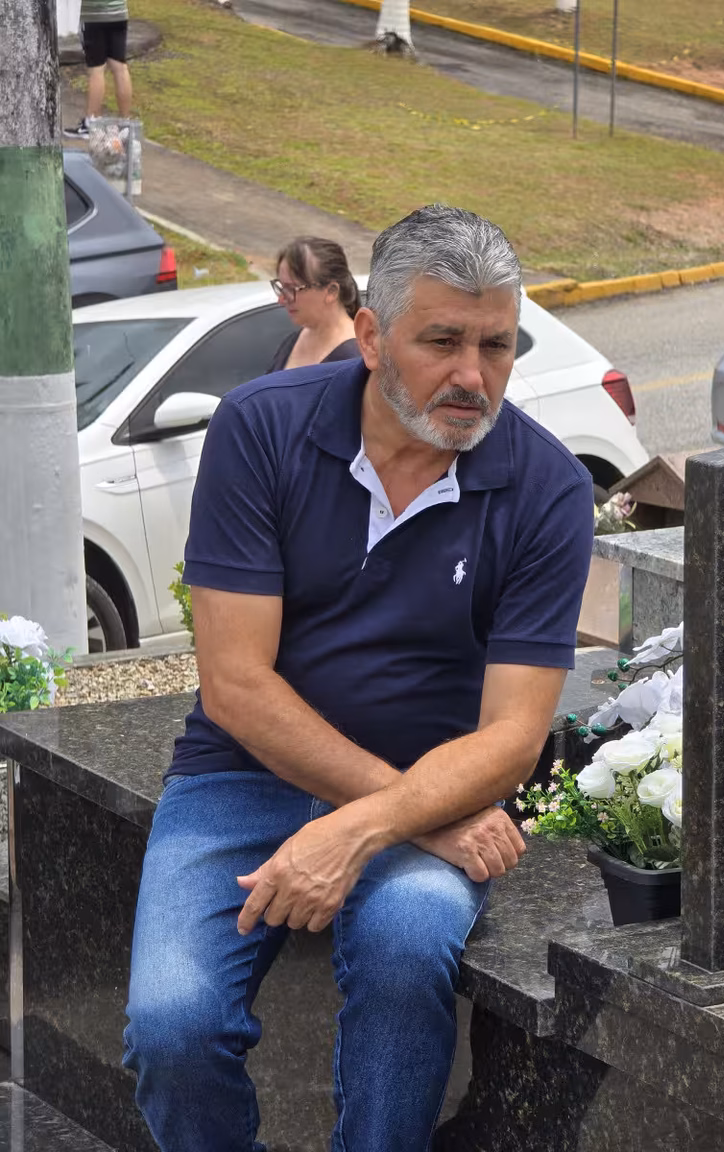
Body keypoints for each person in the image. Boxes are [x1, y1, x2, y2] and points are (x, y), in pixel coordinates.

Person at [122, 204, 595, 1152]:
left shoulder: (548, 488)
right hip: (245, 777)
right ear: (372, 336)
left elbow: (513, 735)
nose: (473, 376)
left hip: (429, 790)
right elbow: (235, 684)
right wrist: (402, 812)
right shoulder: (263, 426)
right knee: (171, 1027)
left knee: (404, 957)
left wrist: (368, 824)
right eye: (443, 341)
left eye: (497, 345)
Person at [267, 237, 361, 373]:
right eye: (281, 287)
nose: (281, 300)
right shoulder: (292, 342)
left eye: (292, 289)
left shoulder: (355, 359)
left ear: (331, 291)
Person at [63, 0, 133, 139]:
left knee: (97, 69)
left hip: (94, 16)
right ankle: (125, 122)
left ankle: (92, 122)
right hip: (119, 13)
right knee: (120, 67)